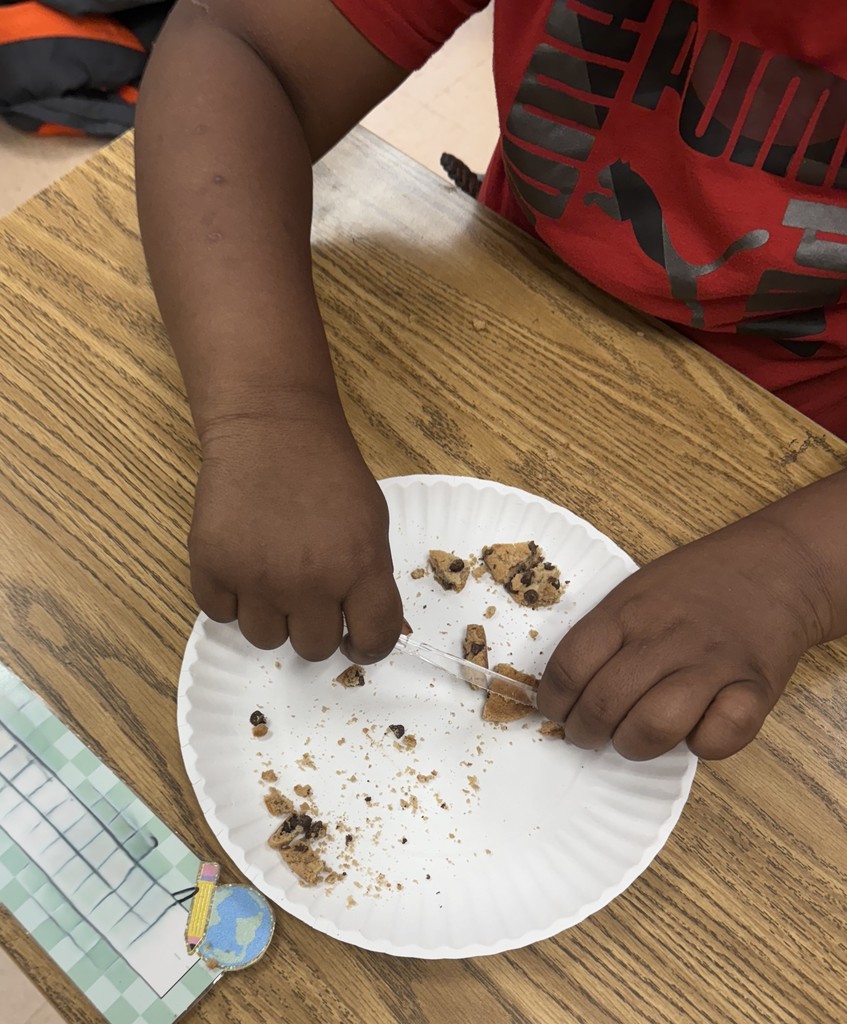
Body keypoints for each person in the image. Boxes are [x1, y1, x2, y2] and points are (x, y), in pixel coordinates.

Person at [134, 0, 847, 763]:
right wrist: (265, 411)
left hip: (792, 440)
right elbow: (238, 41)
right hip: (500, 295)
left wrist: (796, 574)